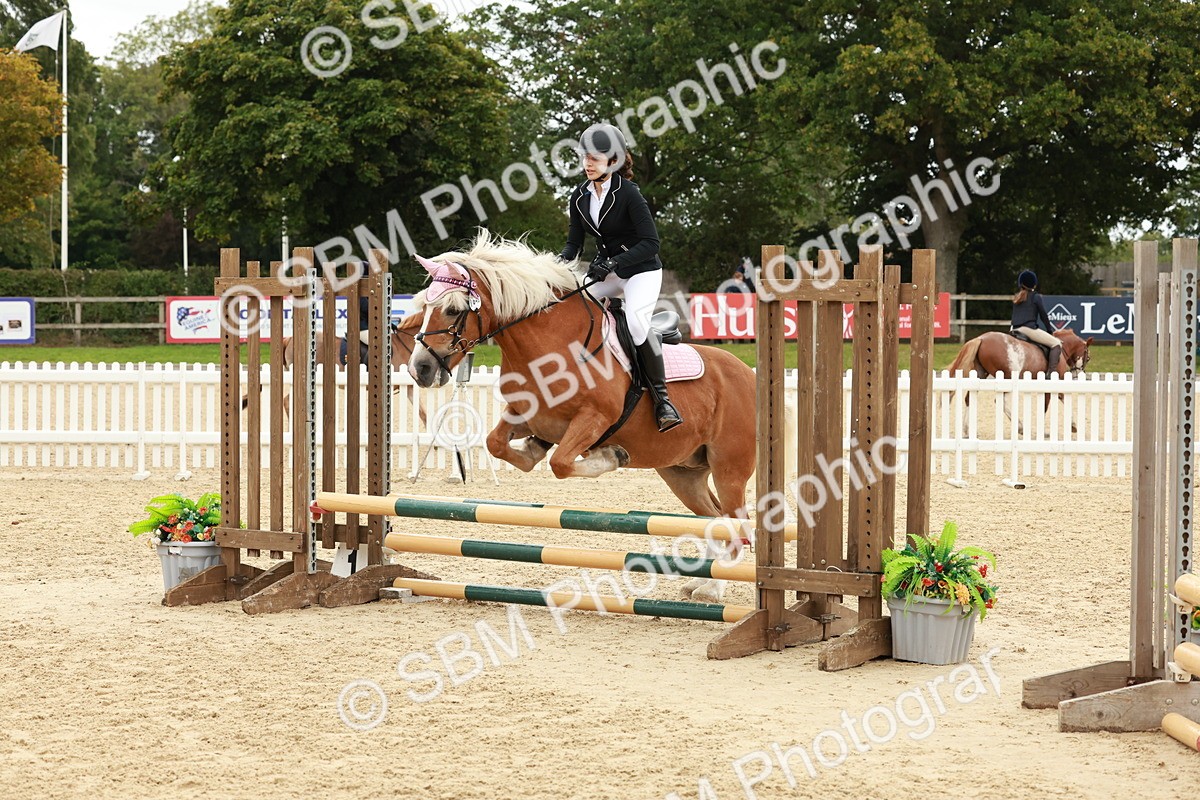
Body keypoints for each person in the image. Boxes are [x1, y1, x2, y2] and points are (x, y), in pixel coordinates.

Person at [559, 123, 682, 432]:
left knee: (638, 323)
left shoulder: (629, 194)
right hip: (609, 271)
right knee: (573, 309)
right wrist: (554, 269)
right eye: (585, 157)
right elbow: (574, 245)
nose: (588, 164)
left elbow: (651, 243)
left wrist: (613, 261)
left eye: (595, 158)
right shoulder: (579, 197)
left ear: (612, 161)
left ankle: (662, 399)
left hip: (642, 271)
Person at [1011, 270, 1062, 374]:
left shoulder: (1017, 297)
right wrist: (1049, 330)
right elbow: (1043, 316)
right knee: (1056, 344)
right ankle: (1051, 374)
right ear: (1033, 284)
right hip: (1028, 329)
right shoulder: (1036, 297)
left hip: (1013, 329)